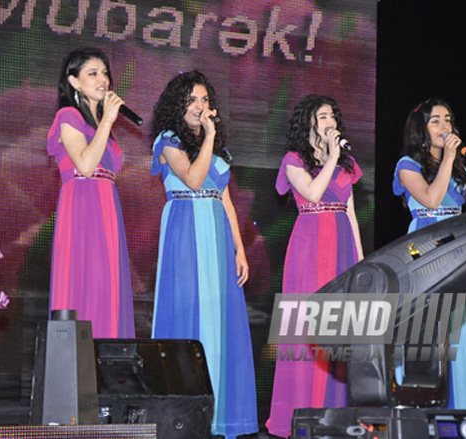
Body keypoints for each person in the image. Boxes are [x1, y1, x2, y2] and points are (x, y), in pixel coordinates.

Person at [149, 70, 258, 439]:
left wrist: (240, 249)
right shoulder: (167, 141)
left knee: (221, 318)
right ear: (177, 105)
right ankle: (184, 416)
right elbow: (194, 180)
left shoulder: (217, 147)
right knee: (188, 312)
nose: (200, 106)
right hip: (185, 229)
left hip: (216, 231)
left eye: (205, 100)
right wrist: (209, 138)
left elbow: (224, 197)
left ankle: (222, 416)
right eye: (192, 99)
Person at [267, 95, 364, 438]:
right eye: (323, 115)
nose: (331, 121)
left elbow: (350, 213)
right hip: (310, 247)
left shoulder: (345, 163)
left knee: (343, 329)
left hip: (342, 246)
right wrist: (332, 157)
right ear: (309, 122)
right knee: (308, 331)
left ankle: (340, 413)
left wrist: (362, 264)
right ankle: (301, 413)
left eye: (333, 115)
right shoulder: (294, 160)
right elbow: (311, 193)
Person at [392, 97, 466, 409]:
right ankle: (425, 404)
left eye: (448, 119)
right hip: (427, 245)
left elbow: (460, 212)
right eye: (436, 120)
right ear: (421, 129)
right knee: (431, 328)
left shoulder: (456, 168)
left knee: (459, 327)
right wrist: (449, 157)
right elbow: (432, 201)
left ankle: (464, 409)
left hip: (458, 245)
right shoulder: (406, 166)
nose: (444, 126)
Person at [47, 47, 135, 338]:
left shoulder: (102, 127)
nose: (103, 80)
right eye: (93, 73)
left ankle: (106, 365)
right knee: (85, 281)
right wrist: (108, 120)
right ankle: (77, 368)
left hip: (107, 208)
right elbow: (84, 165)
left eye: (106, 73)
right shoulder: (68, 116)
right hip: (83, 207)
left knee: (108, 284)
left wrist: (105, 122)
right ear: (74, 81)